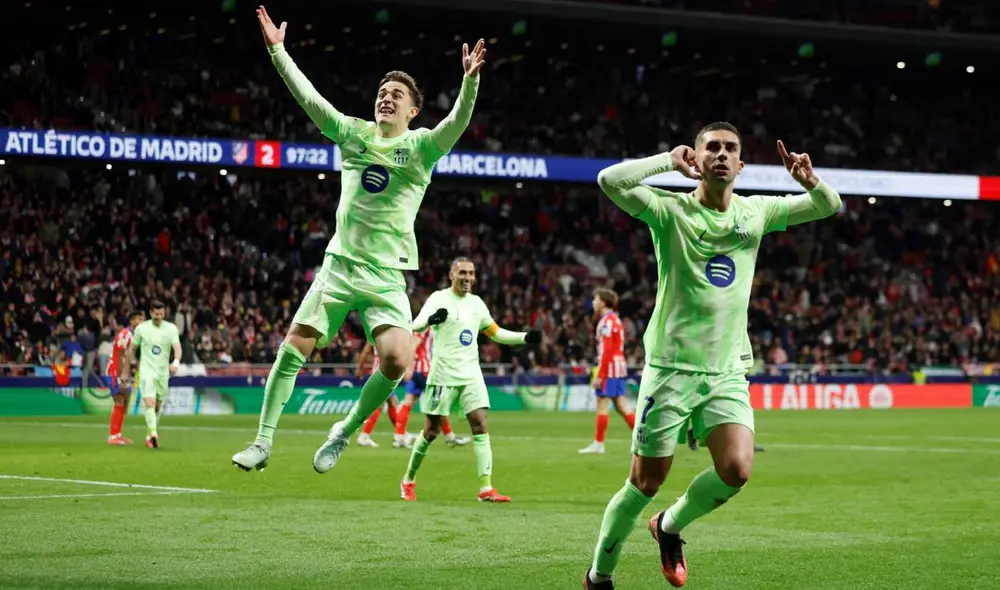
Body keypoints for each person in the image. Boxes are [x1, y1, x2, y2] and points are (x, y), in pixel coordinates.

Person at [584, 124, 842, 589]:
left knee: (737, 469)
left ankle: (669, 526)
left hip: (726, 370)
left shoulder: (757, 212)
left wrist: (810, 181)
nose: (721, 155)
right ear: (697, 159)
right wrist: (666, 160)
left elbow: (829, 207)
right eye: (712, 148)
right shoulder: (669, 210)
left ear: (741, 165)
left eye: (730, 149)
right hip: (670, 370)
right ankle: (600, 574)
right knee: (644, 482)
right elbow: (609, 181)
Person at [231, 6, 486, 473]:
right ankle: (263, 442)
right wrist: (277, 52)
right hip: (339, 265)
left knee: (396, 358)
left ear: (413, 110)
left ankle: (344, 431)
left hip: (386, 274)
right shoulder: (353, 134)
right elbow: (312, 102)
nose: (386, 98)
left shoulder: (422, 147)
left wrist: (469, 82)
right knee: (295, 345)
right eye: (382, 92)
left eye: (396, 95)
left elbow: (456, 125)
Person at [399, 258, 541, 502]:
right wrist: (431, 321)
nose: (467, 277)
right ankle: (408, 480)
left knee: (480, 423)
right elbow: (416, 324)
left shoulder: (476, 304)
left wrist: (524, 338)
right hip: (443, 373)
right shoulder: (438, 298)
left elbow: (495, 332)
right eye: (462, 272)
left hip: (471, 374)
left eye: (471, 273)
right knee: (431, 431)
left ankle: (486, 488)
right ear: (451, 274)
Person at [579, 288, 635, 455]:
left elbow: (607, 351)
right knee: (621, 406)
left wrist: (601, 375)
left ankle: (598, 444)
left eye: (596, 299)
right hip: (617, 367)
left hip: (610, 369)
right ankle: (642, 439)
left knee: (602, 405)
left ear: (603, 302)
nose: (594, 302)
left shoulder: (607, 322)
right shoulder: (614, 320)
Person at [124, 301, 181, 450]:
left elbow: (177, 347)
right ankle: (154, 434)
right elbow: (133, 347)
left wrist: (175, 362)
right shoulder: (142, 329)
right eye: (156, 314)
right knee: (149, 403)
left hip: (163, 373)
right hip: (146, 371)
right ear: (151, 313)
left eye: (161, 314)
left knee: (157, 405)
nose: (159, 317)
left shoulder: (171, 329)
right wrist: (130, 364)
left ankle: (149, 436)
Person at [105, 310, 145, 445]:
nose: (142, 322)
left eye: (143, 319)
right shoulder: (125, 334)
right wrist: (122, 376)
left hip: (121, 371)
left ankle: (117, 434)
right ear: (132, 321)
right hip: (114, 371)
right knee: (119, 401)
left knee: (123, 401)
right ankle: (113, 436)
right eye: (139, 319)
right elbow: (120, 355)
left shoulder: (134, 336)